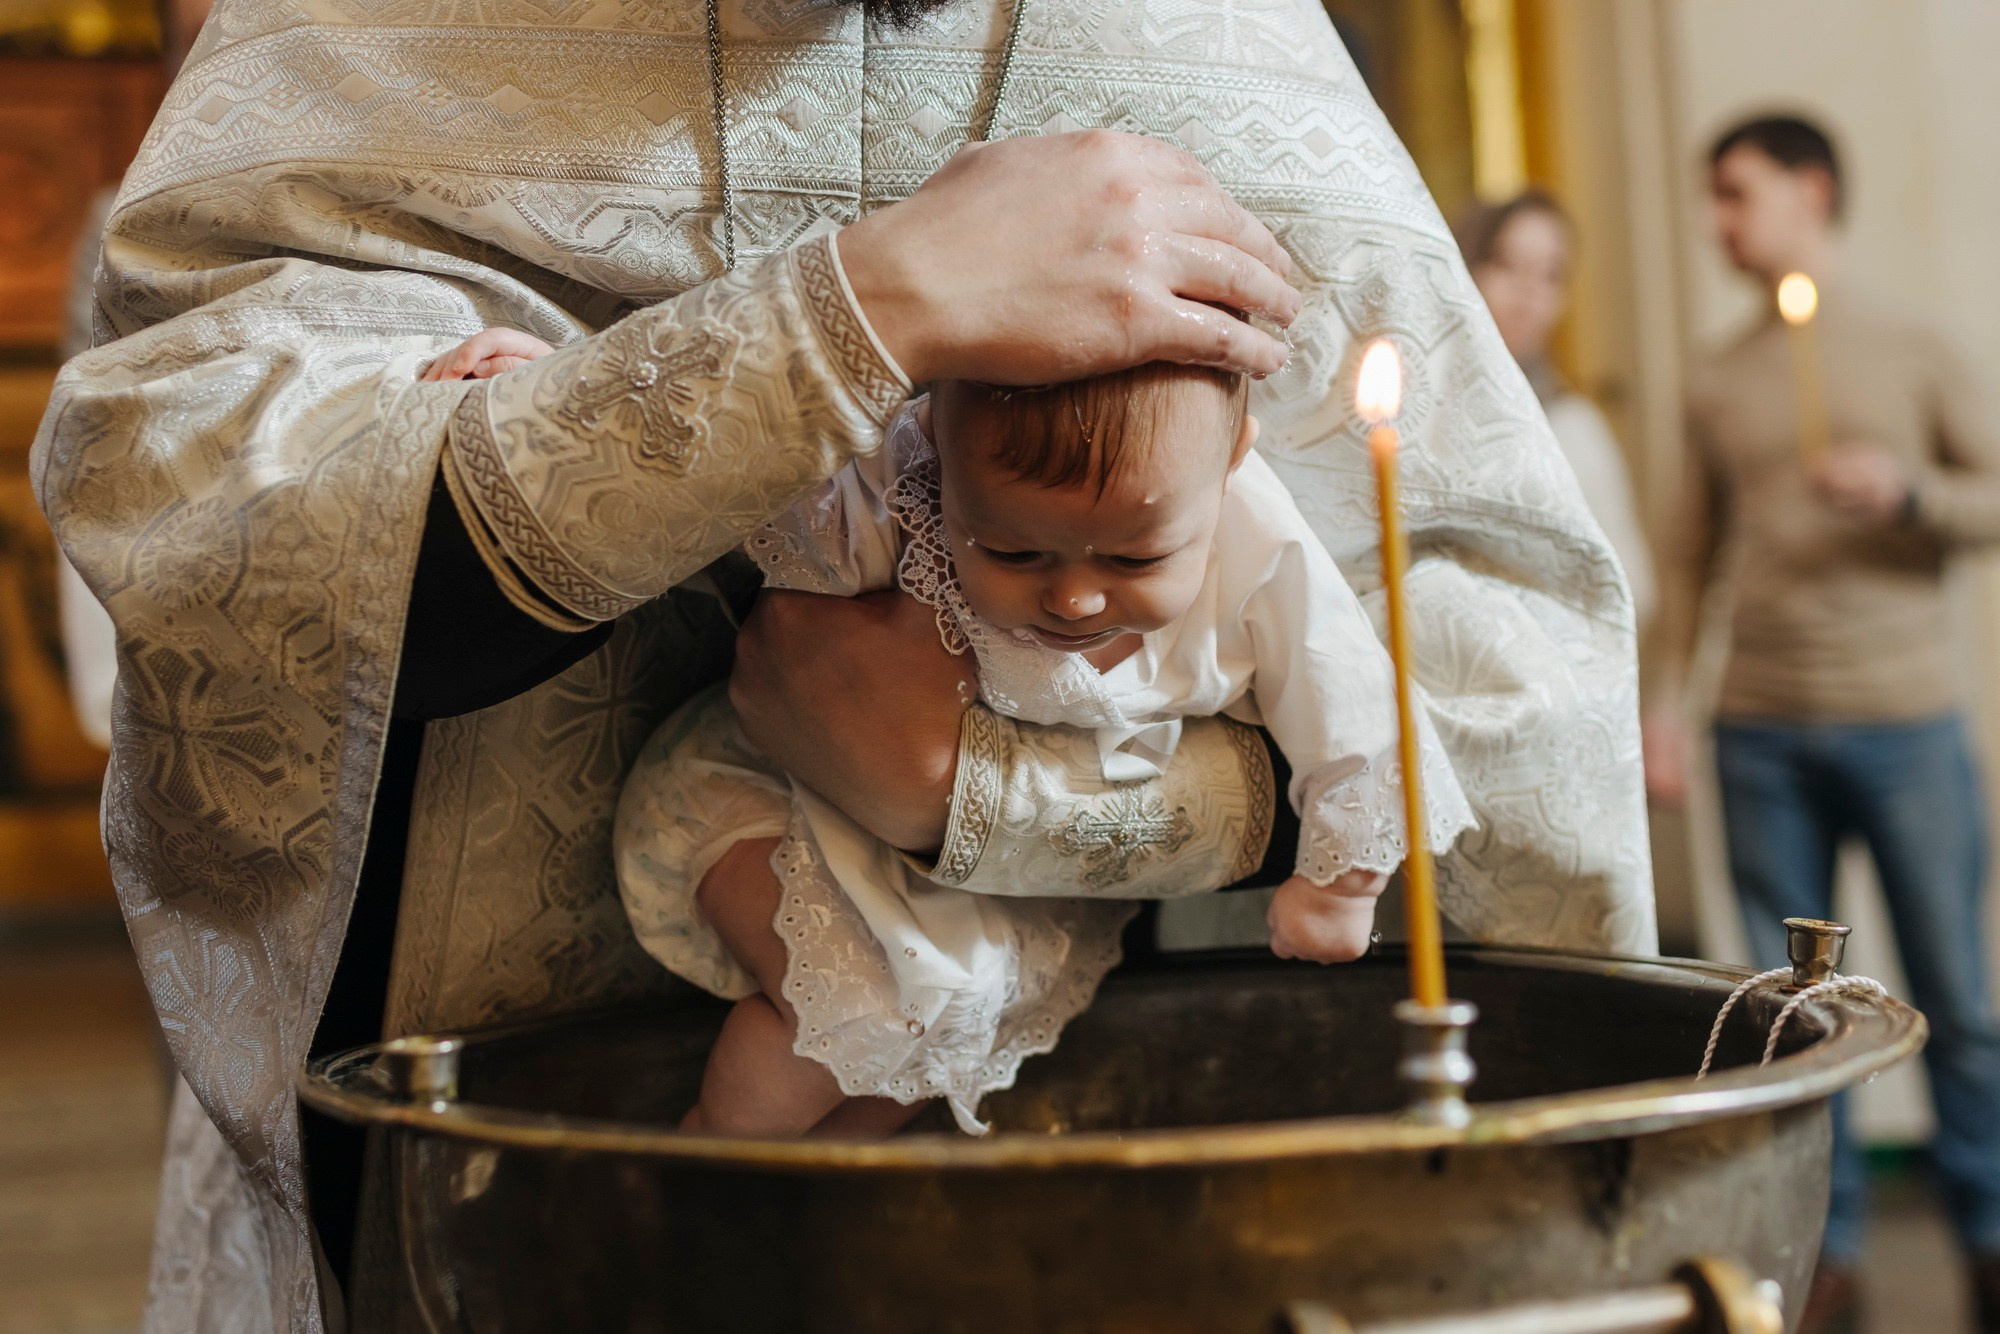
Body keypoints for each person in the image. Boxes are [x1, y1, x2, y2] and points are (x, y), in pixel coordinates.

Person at [35, 0, 1653, 1324]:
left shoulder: (1215, 36)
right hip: (509, 1219)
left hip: (1135, 1221)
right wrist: (859, 310)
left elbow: (1511, 685)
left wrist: (1000, 792)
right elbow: (210, 545)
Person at [592, 354, 1475, 1136]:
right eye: (1013, 552)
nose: (1076, 600)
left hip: (957, 881)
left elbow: (1353, 703)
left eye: (1133, 563)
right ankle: (707, 1165)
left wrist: (1342, 881)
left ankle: (802, 1208)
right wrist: (604, 413)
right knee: (859, 1008)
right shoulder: (910, 488)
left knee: (953, 1034)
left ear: (1232, 462)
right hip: (764, 795)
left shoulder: (1261, 548)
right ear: (938, 445)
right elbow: (732, 479)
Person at [1646, 113, 2000, 1334]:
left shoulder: (1912, 347)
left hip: (1905, 724)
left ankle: (1988, 1235)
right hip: (1757, 730)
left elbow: (1994, 494)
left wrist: (1908, 492)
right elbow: (1686, 557)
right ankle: (1824, 1251)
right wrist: (1661, 706)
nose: (1718, 225)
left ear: (1808, 192)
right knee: (1793, 1015)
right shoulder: (1713, 371)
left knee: (1954, 1003)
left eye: (1736, 196)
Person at [1458, 189, 1655, 629]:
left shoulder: (1574, 426)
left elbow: (1631, 585)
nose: (1529, 292)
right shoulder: (1416, 412)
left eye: (1550, 274)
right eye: (1508, 264)